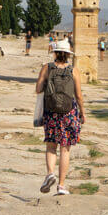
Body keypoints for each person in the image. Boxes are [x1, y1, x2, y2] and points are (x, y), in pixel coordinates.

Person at [36, 39, 84, 197]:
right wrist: (82, 113)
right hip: (69, 113)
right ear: (69, 55)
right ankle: (61, 185)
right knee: (65, 148)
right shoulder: (73, 70)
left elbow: (38, 89)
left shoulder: (47, 68)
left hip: (51, 113)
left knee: (51, 146)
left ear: (55, 53)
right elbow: (78, 95)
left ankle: (50, 173)